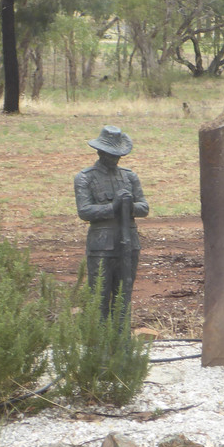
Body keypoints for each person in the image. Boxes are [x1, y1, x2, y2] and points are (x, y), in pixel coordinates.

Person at [74, 126, 149, 319]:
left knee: (123, 298)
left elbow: (144, 207)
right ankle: (100, 345)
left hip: (129, 244)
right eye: (110, 154)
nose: (115, 159)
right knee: (99, 297)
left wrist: (129, 206)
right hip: (101, 247)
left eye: (118, 155)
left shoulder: (129, 176)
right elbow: (84, 211)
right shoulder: (85, 178)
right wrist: (113, 207)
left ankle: (122, 343)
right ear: (99, 152)